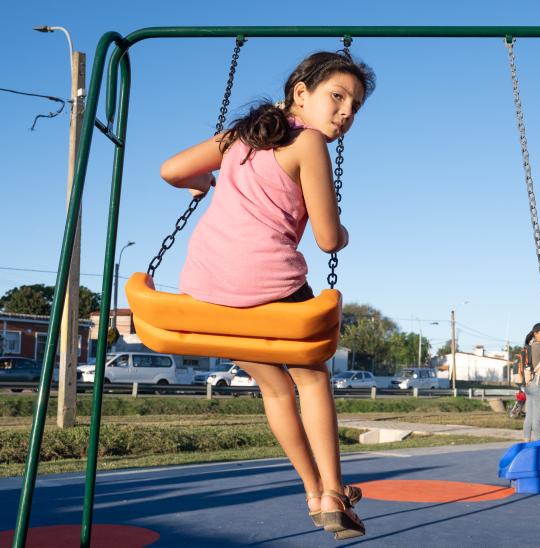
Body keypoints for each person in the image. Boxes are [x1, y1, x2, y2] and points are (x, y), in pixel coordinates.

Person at [160, 51, 375, 541]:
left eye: (354, 107)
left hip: (209, 292)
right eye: (337, 97)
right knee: (313, 380)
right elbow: (325, 238)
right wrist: (343, 235)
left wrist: (203, 180)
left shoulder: (241, 134)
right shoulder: (310, 142)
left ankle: (312, 492)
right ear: (301, 92)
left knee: (276, 388)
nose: (345, 112)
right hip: (270, 287)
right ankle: (335, 493)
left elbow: (171, 169)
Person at [522, 323, 540, 442]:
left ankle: (526, 441)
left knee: (529, 416)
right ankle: (538, 445)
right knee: (537, 419)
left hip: (529, 383)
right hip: (539, 382)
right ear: (535, 334)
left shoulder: (530, 346)